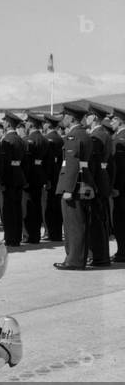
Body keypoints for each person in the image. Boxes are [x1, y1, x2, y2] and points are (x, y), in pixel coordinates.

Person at [54, 101, 94, 270]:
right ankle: (76, 257)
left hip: (75, 185)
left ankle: (74, 260)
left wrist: (68, 189)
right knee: (77, 223)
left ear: (70, 118)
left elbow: (72, 163)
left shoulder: (74, 136)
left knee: (74, 224)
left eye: (64, 116)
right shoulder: (83, 134)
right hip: (83, 182)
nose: (62, 119)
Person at [86, 104, 113, 266]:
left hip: (96, 180)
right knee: (100, 218)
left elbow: (93, 163)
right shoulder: (104, 134)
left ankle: (98, 256)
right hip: (102, 179)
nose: (86, 119)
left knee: (96, 219)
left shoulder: (97, 136)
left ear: (94, 118)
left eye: (88, 116)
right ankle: (101, 255)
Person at [0, 112, 27, 247]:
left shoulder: (7, 140)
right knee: (17, 208)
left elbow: (4, 162)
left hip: (9, 177)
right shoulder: (20, 139)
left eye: (4, 121)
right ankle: (16, 237)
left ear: (8, 124)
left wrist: (2, 181)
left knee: (9, 210)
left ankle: (10, 238)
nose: (3, 123)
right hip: (19, 175)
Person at [22, 113, 48, 243]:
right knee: (37, 207)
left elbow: (27, 162)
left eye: (26, 122)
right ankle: (36, 234)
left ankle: (29, 235)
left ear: (31, 124)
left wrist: (24, 179)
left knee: (28, 207)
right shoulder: (44, 139)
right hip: (40, 174)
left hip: (30, 176)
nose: (25, 124)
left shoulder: (28, 139)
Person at [42, 113, 64, 241]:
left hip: (51, 176)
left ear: (47, 124)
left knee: (49, 206)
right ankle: (56, 233)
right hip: (59, 175)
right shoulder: (60, 138)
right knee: (56, 205)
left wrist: (47, 179)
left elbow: (48, 162)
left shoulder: (49, 139)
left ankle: (51, 232)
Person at [110, 107, 125, 262]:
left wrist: (116, 187)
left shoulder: (120, 139)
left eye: (114, 119)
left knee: (120, 221)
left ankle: (122, 253)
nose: (111, 122)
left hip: (122, 189)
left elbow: (120, 167)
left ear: (120, 121)